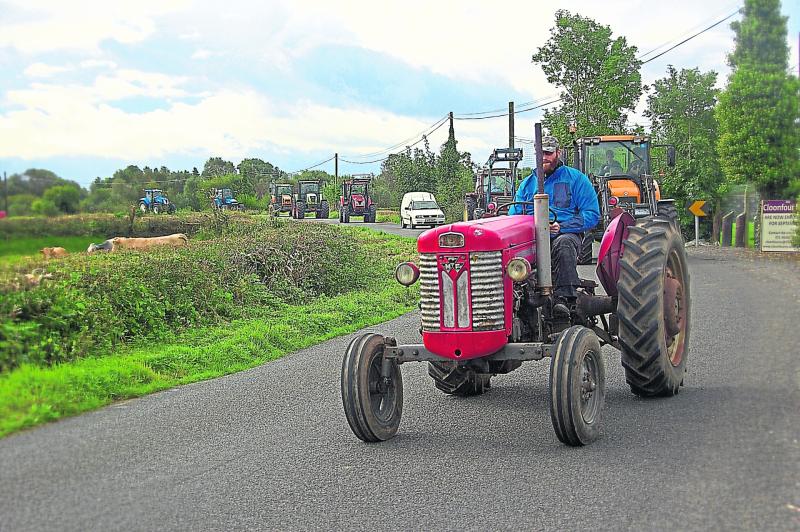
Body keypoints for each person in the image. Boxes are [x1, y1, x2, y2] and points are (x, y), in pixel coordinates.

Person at [508, 136, 600, 316]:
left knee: (563, 243)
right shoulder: (527, 185)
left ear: (558, 153)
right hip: (532, 238)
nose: (544, 157)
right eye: (540, 153)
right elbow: (514, 216)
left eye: (548, 153)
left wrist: (562, 226)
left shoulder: (576, 179)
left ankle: (565, 301)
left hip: (564, 233)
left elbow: (591, 214)